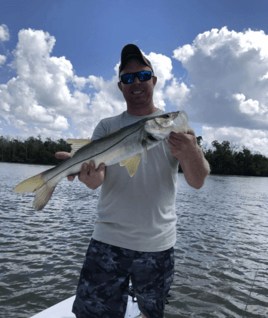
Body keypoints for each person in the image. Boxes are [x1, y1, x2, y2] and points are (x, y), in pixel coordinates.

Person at [55, 44, 210, 318]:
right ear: (120, 86)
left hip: (158, 245)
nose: (136, 82)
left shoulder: (175, 128)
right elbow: (95, 181)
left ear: (154, 80)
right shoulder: (107, 126)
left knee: (151, 314)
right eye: (128, 78)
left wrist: (192, 152)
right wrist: (85, 172)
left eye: (142, 75)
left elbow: (197, 181)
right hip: (107, 240)